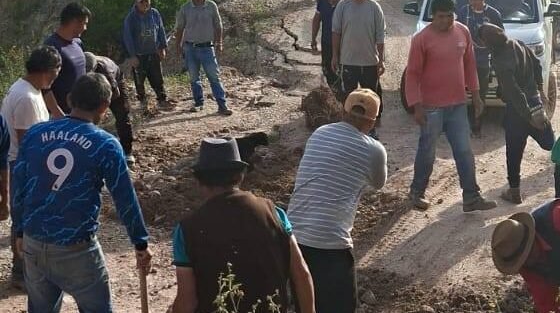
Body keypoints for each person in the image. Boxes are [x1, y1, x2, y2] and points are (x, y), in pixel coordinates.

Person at [11, 73, 152, 312]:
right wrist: (140, 242)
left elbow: (19, 186)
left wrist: (20, 230)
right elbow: (124, 199)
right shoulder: (105, 144)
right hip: (77, 250)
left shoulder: (35, 134)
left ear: (69, 99)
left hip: (34, 241)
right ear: (104, 107)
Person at [171, 138, 315, 313]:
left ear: (199, 181)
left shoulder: (187, 230)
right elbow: (302, 275)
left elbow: (187, 302)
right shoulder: (275, 214)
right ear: (241, 175)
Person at [288, 89, 387, 313]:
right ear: (372, 122)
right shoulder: (374, 150)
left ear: (343, 112)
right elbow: (378, 183)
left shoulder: (320, 133)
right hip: (330, 242)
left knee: (306, 306)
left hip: (293, 236)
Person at [404, 0, 497, 212]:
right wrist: (416, 106)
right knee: (427, 151)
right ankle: (416, 192)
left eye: (449, 16)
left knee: (464, 151)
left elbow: (470, 65)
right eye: (440, 17)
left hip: (457, 105)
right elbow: (413, 75)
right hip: (431, 108)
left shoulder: (462, 32)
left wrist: (476, 96)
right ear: (433, 16)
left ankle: (471, 197)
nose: (445, 21)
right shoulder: (421, 39)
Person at [0, 45, 61, 287]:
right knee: (25, 219)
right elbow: (27, 142)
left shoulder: (29, 89)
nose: (56, 78)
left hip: (23, 163)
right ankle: (21, 273)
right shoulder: (26, 97)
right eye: (56, 72)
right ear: (46, 70)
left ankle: (27, 272)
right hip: (23, 165)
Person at [479, 24, 554, 204]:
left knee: (514, 153)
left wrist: (527, 117)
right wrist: (540, 89)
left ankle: (514, 191)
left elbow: (514, 92)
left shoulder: (499, 60)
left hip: (517, 111)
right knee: (549, 143)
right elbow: (536, 65)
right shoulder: (518, 43)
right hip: (535, 102)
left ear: (488, 42)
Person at [331, 0, 385, 138]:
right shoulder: (343, 6)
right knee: (348, 97)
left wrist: (381, 60)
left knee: (371, 98)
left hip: (369, 61)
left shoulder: (374, 8)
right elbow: (336, 32)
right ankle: (349, 130)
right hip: (348, 61)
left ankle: (371, 129)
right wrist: (335, 56)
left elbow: (380, 37)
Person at [175, 0, 232, 115]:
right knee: (194, 78)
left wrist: (219, 42)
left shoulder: (211, 6)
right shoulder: (185, 8)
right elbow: (180, 28)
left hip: (207, 47)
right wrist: (178, 45)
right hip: (190, 48)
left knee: (214, 77)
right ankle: (198, 103)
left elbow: (218, 25)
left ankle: (222, 105)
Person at [457, 0, 503, 136]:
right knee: (459, 93)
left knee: (480, 94)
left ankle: (477, 126)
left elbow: (501, 37)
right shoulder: (463, 12)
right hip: (463, 61)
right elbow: (456, 32)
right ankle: (458, 125)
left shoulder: (493, 14)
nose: (473, 2)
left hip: (483, 60)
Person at [122, 0, 173, 108]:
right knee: (139, 81)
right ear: (136, 3)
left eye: (147, 1)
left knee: (157, 78)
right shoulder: (131, 18)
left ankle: (162, 100)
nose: (145, 4)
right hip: (139, 55)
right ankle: (143, 104)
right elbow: (127, 37)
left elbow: (160, 30)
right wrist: (132, 56)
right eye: (142, 1)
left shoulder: (155, 13)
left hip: (153, 52)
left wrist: (162, 47)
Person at [84, 52, 136, 166]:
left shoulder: (106, 70)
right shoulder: (80, 67)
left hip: (116, 85)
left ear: (95, 68)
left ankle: (127, 151)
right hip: (95, 85)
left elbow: (115, 94)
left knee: (122, 115)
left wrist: (101, 109)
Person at [43, 2, 91, 118]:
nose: (85, 28)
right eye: (84, 23)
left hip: (81, 113)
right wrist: (58, 114)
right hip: (61, 116)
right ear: (74, 22)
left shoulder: (78, 43)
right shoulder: (51, 46)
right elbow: (44, 85)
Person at [311, 0, 346, 91]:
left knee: (342, 72)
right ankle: (334, 93)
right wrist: (313, 39)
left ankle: (343, 94)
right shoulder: (322, 1)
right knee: (327, 69)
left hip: (343, 45)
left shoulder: (346, 6)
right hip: (326, 42)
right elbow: (316, 20)